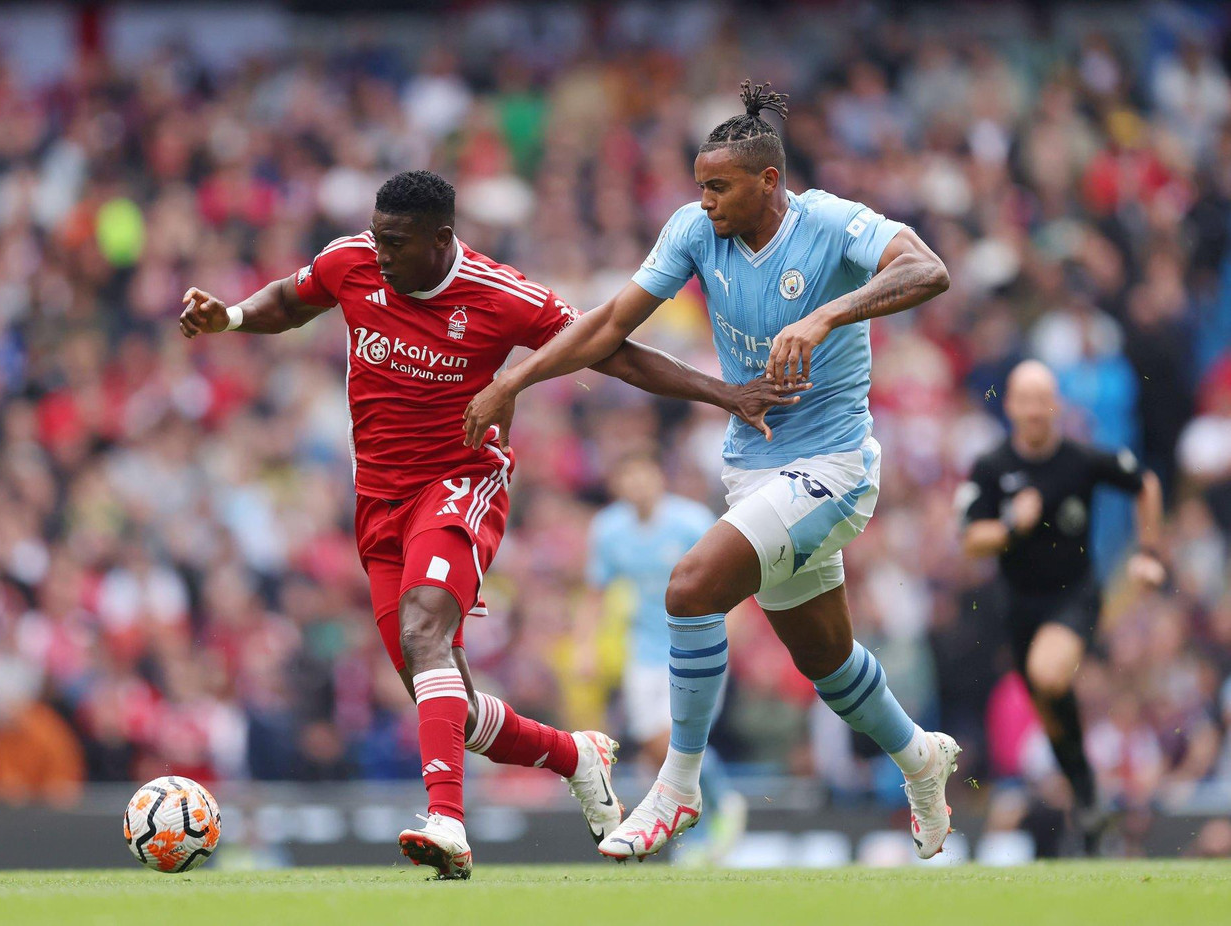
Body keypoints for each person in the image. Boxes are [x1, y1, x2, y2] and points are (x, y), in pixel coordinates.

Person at [178, 169, 801, 879]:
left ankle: (446, 821)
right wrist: (228, 316)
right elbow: (290, 301)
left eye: (397, 242)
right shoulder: (351, 261)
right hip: (377, 503)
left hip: (460, 484)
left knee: (423, 630)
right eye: (378, 237)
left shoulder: (501, 295)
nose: (380, 253)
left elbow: (613, 350)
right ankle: (576, 757)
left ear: (442, 238)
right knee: (442, 695)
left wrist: (722, 393)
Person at [464, 80, 959, 861]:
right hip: (753, 467)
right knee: (828, 664)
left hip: (834, 466)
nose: (705, 201)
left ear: (769, 182)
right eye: (699, 185)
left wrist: (827, 312)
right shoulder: (694, 233)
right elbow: (610, 327)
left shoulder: (829, 220)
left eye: (718, 186)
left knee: (690, 587)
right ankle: (921, 758)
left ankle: (678, 787)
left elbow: (928, 268)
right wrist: (514, 379)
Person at [959, 359, 1166, 853]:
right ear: (1009, 406)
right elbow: (971, 539)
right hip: (1018, 607)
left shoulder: (1081, 459)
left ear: (1055, 405)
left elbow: (1147, 485)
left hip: (1074, 596)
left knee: (1049, 676)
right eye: (1024, 401)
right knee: (1051, 714)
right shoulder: (991, 467)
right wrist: (1012, 524)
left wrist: (1147, 552)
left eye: (1042, 400)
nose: (1033, 411)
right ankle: (1087, 796)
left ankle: (1088, 795)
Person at [578, 450, 748, 864]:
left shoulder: (690, 521)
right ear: (617, 485)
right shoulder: (608, 529)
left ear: (658, 476)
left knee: (679, 734)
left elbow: (733, 574)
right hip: (645, 650)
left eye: (643, 473)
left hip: (696, 645)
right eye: (627, 476)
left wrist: (733, 628)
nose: (637, 484)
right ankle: (721, 802)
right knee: (656, 740)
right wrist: (585, 645)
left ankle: (713, 820)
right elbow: (596, 594)